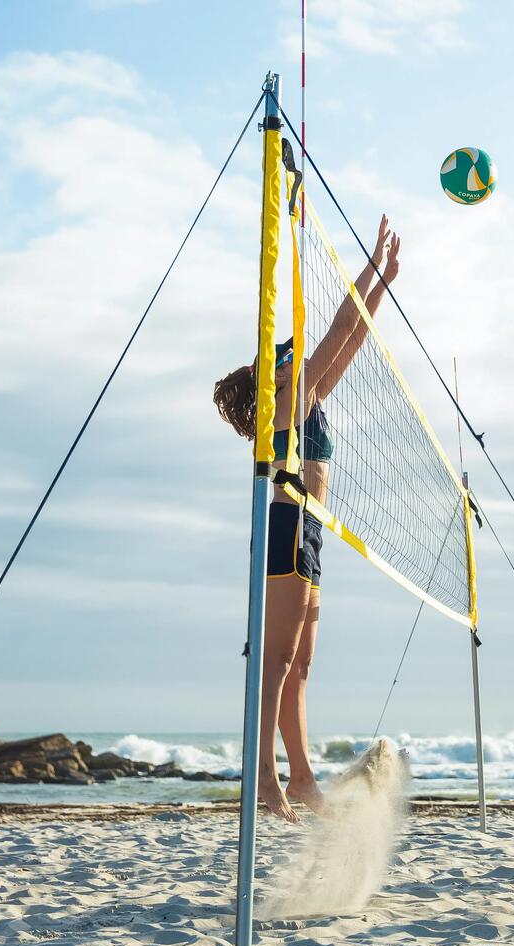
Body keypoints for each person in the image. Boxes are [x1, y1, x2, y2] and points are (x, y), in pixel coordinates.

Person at [213, 214, 402, 823]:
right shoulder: (288, 404)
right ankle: (264, 774)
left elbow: (353, 338)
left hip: (309, 530)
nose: (300, 361)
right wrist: (371, 265)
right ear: (275, 381)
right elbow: (339, 327)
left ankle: (300, 777)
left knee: (301, 665)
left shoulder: (308, 396)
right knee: (276, 660)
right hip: (287, 526)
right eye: (289, 359)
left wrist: (382, 287)